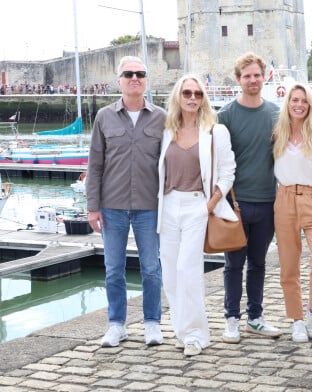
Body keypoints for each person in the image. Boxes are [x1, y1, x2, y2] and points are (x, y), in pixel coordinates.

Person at [86, 56, 165, 347]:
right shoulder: (104, 117)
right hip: (112, 205)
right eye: (129, 74)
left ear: (146, 80)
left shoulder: (162, 117)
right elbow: (94, 165)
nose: (135, 78)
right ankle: (116, 324)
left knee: (152, 268)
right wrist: (92, 207)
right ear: (119, 80)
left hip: (149, 206)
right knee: (113, 269)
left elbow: (169, 164)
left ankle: (152, 323)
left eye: (140, 73)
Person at [157, 74, 236, 356]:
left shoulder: (215, 131)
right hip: (167, 206)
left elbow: (228, 172)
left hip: (196, 205)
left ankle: (195, 334)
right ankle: (182, 329)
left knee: (187, 269)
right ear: (178, 96)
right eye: (187, 93)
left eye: (198, 94)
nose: (192, 98)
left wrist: (210, 204)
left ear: (203, 98)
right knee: (170, 273)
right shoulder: (167, 130)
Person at [217, 52, 282, 343]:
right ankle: (232, 318)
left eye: (257, 75)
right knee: (233, 263)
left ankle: (255, 317)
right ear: (238, 79)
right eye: (247, 76)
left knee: (258, 263)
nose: (253, 80)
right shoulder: (225, 116)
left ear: (265, 76)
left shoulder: (276, 114)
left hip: (268, 201)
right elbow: (216, 162)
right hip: (237, 203)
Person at [272, 83, 312, 342]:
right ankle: (297, 320)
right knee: (289, 266)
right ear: (287, 103)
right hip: (285, 199)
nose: (298, 105)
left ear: (310, 105)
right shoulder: (278, 134)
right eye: (294, 100)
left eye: (303, 101)